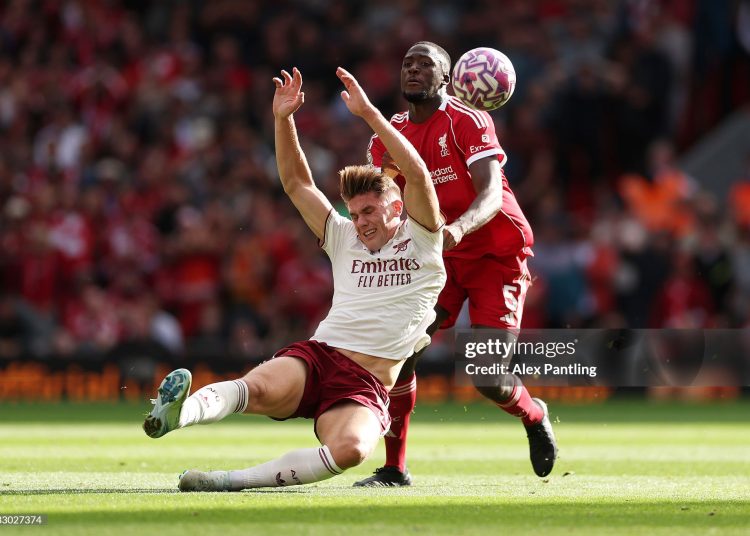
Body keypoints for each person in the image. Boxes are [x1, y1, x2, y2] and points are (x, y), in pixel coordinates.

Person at [142, 65, 446, 492]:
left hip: (366, 384)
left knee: (353, 450)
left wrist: (370, 115)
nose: (359, 222)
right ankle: (179, 414)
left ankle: (228, 481)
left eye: (369, 212)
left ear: (396, 208)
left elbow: (417, 176)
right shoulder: (343, 236)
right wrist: (283, 120)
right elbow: (296, 182)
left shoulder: (423, 239)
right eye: (354, 213)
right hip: (320, 358)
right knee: (254, 387)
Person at [353, 41, 557, 487]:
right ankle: (394, 468)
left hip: (496, 253)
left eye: (425, 64)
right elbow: (382, 200)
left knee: (486, 376)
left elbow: (490, 194)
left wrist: (459, 229)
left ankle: (533, 413)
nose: (412, 69)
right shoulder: (388, 135)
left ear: (447, 79)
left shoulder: (467, 121)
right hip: (439, 258)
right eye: (407, 62)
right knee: (402, 351)